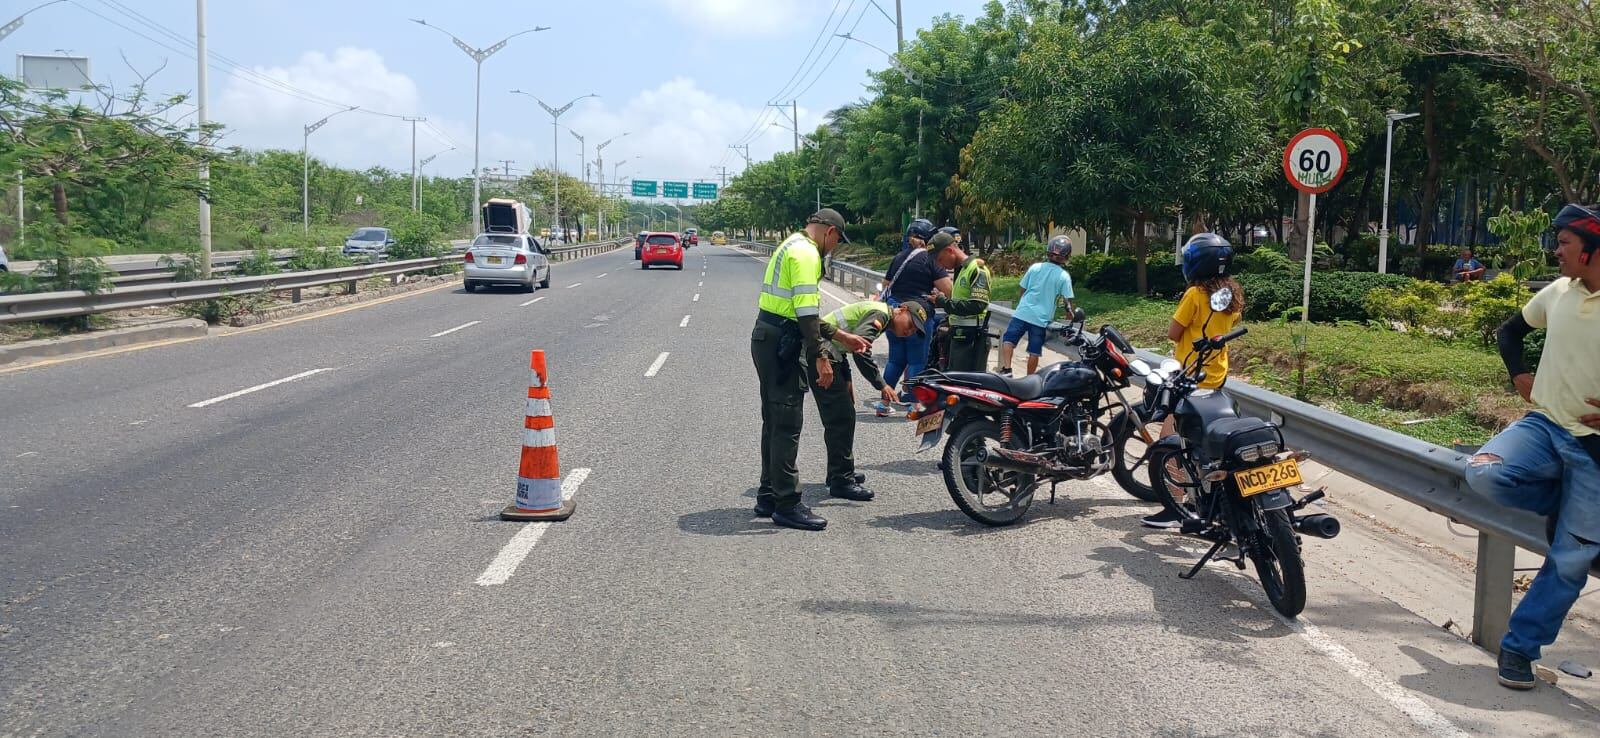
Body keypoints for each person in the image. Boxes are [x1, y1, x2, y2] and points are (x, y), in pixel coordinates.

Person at [1466, 203, 1600, 691]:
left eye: (1565, 243)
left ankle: (1519, 649)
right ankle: (1570, 512)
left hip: (1595, 453)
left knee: (1570, 561)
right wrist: (1519, 374)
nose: (1556, 251)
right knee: (1483, 472)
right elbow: (1510, 332)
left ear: (1591, 250)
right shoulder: (1559, 292)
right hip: (1545, 427)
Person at [751, 208, 871, 531]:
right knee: (787, 422)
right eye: (836, 242)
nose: (833, 248)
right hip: (782, 345)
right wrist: (820, 357)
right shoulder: (807, 254)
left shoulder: (789, 245)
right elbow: (806, 312)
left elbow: (799, 312)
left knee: (773, 421)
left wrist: (839, 334)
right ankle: (787, 503)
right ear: (829, 231)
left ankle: (768, 495)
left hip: (767, 337)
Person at [1141, 233, 1244, 529]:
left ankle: (1177, 506)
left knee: (1171, 443)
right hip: (1216, 376)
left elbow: (1174, 333)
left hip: (1190, 376)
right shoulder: (1233, 293)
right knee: (1204, 445)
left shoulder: (1195, 295)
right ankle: (1208, 503)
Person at [812, 300, 929, 501]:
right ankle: (841, 479)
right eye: (910, 325)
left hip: (832, 354)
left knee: (843, 416)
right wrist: (882, 384)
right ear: (900, 310)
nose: (909, 332)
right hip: (822, 355)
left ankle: (838, 472)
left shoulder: (881, 316)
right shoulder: (880, 315)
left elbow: (850, 345)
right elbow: (860, 350)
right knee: (841, 419)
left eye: (914, 331)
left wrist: (847, 378)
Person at [879, 220, 952, 411]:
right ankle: (914, 404)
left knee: (895, 359)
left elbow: (886, 285)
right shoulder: (930, 260)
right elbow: (948, 289)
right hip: (918, 314)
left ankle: (883, 403)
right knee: (916, 360)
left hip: (894, 313)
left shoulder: (899, 257)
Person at [997, 235, 1075, 377]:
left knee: (1008, 340)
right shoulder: (1064, 276)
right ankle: (1029, 378)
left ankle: (1007, 369)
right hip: (1041, 319)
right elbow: (1067, 302)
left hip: (1022, 313)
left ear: (1048, 252)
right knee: (1034, 351)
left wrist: (1023, 303)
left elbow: (1022, 288)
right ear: (1066, 256)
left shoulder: (1035, 267)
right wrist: (1070, 318)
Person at [927, 232, 992, 373]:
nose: (940, 265)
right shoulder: (961, 270)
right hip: (958, 336)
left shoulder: (976, 269)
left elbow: (977, 306)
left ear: (950, 250)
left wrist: (944, 302)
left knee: (966, 387)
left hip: (972, 339)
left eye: (940, 259)